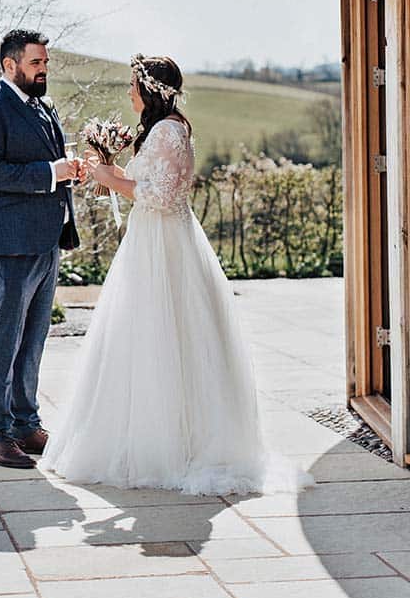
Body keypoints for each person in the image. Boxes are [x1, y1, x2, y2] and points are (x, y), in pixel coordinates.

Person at [41, 54, 312, 494]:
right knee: (141, 335)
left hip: (163, 247)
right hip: (151, 241)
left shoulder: (168, 130)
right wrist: (108, 168)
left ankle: (167, 446)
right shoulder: (164, 129)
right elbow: (149, 183)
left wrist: (112, 180)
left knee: (164, 334)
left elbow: (160, 197)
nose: (128, 92)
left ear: (149, 90)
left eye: (133, 85)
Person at [0, 29, 80, 469]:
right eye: (36, 63)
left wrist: (68, 174)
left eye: (45, 63)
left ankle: (25, 424)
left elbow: (49, 170)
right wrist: (50, 172)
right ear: (9, 65)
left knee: (33, 338)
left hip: (46, 240)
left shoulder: (44, 106)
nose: (43, 70)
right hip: (9, 244)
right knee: (4, 339)